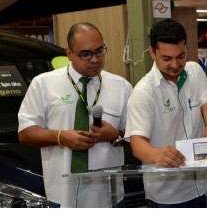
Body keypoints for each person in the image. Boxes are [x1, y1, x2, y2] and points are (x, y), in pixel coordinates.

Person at [18, 22, 132, 208]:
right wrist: (61, 137)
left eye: (100, 51)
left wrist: (116, 136)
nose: (95, 59)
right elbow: (25, 133)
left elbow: (137, 135)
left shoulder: (121, 87)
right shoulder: (44, 84)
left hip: (109, 197)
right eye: (85, 54)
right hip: (62, 196)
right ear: (69, 53)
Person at [125, 18, 207, 208]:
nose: (175, 64)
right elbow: (137, 144)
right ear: (152, 52)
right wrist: (156, 154)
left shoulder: (194, 71)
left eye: (180, 56)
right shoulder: (143, 93)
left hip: (205, 185)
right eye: (167, 58)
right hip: (169, 194)